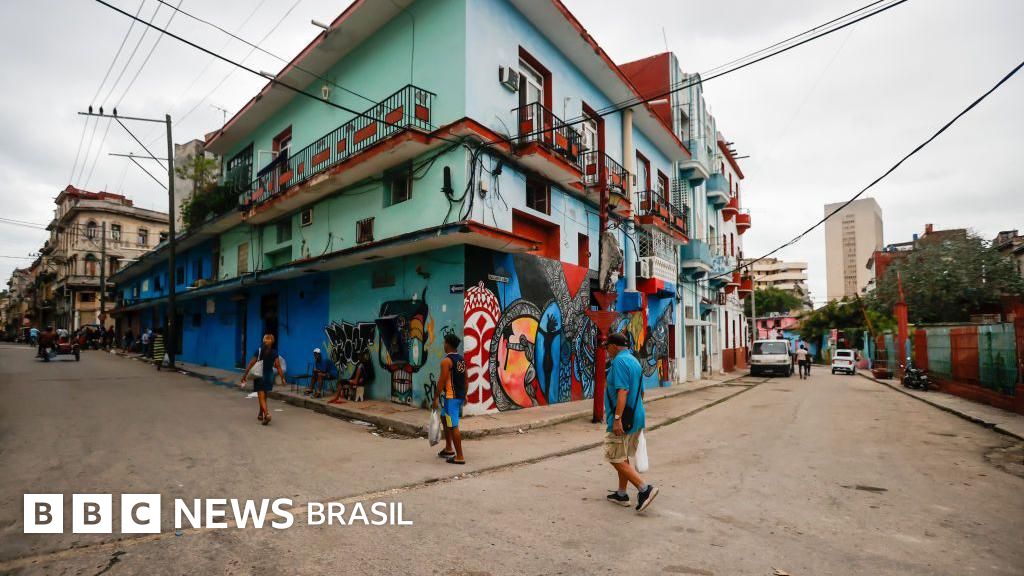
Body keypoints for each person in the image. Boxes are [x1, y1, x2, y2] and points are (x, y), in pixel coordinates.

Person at [603, 332, 659, 512]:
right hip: (636, 416)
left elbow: (623, 391)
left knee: (613, 456)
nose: (606, 351)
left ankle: (644, 489)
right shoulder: (634, 360)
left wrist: (617, 419)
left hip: (623, 419)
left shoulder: (619, 362)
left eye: (607, 347)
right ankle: (621, 494)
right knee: (623, 455)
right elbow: (641, 392)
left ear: (614, 346)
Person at [431, 334, 467, 465]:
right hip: (456, 397)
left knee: (453, 426)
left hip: (452, 398)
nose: (443, 345)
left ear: (448, 344)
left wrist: (435, 398)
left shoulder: (446, 361)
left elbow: (441, 381)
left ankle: (460, 456)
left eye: (444, 342)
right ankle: (448, 448)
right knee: (444, 418)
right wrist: (465, 395)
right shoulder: (461, 359)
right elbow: (465, 379)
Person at [240, 334, 287, 426]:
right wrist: (282, 378)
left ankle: (267, 414)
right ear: (272, 342)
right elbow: (278, 366)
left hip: (260, 375)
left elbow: (251, 363)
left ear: (264, 341)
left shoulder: (259, 351)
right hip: (269, 376)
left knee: (261, 397)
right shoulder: (274, 352)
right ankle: (260, 413)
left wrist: (244, 375)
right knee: (264, 396)